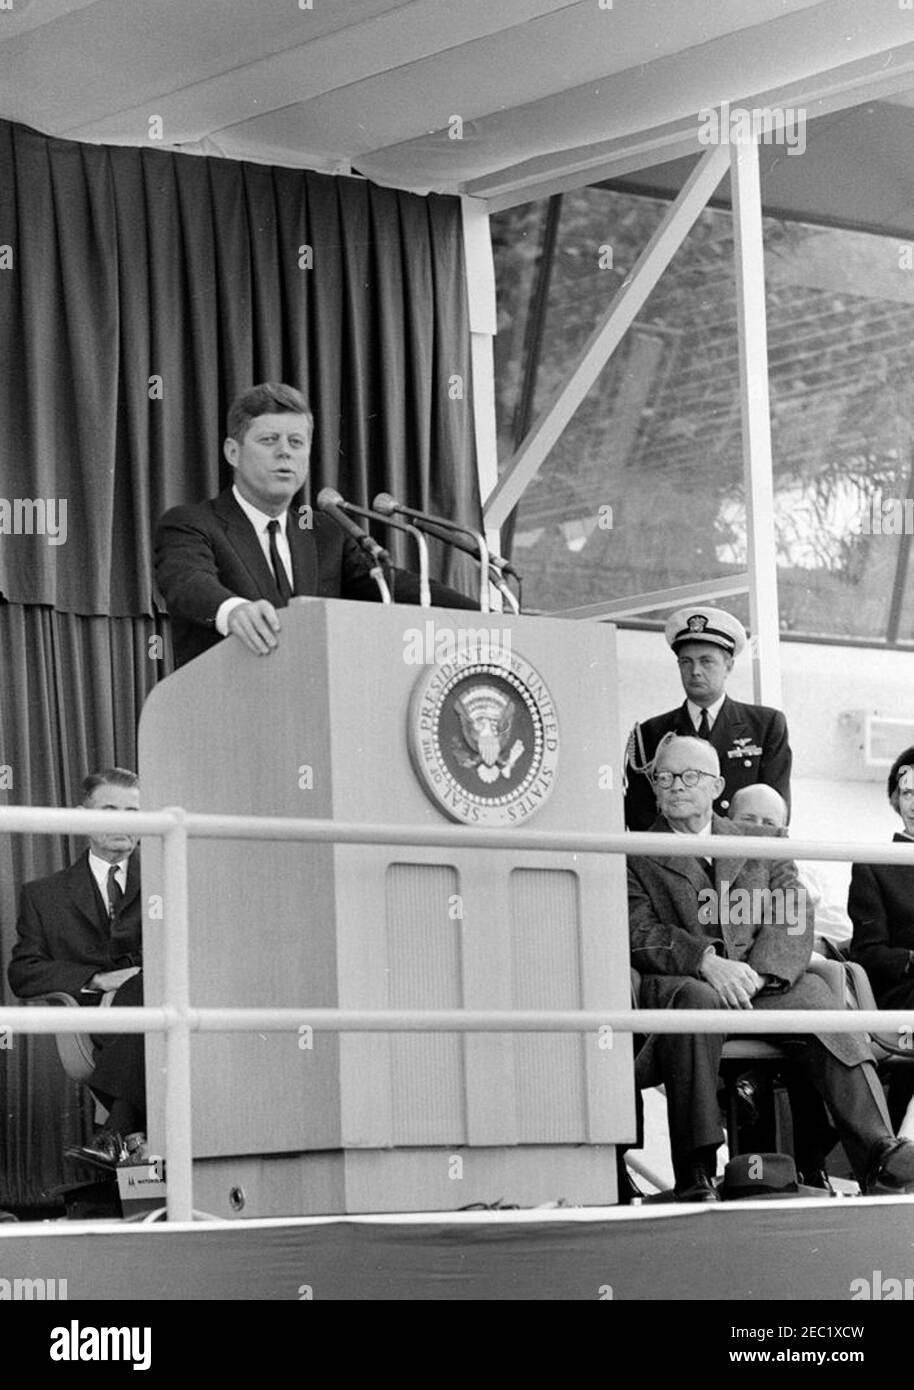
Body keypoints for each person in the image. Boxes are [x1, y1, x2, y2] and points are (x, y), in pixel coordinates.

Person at [627, 734, 914, 1201]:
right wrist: (706, 962)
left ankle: (879, 1153)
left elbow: (794, 913)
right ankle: (695, 1169)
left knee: (820, 1001)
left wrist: (760, 973)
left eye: (690, 776)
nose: (676, 786)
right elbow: (639, 931)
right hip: (687, 982)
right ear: (655, 787)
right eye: (665, 777)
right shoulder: (634, 853)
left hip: (764, 982)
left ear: (717, 784)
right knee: (694, 1005)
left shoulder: (761, 841)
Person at [155, 382, 477, 667]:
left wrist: (487, 617)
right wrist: (233, 610)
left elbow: (394, 586)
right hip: (225, 714)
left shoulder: (325, 534)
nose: (284, 453)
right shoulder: (191, 524)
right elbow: (187, 581)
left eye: (296, 442)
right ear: (233, 452)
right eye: (269, 440)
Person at [8, 769, 146, 1170]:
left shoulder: (168, 878)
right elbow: (23, 972)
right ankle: (123, 1132)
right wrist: (96, 980)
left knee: (146, 984)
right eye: (109, 809)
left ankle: (116, 1132)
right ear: (82, 816)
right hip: (96, 1026)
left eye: (133, 811)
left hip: (157, 1017)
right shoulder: (44, 895)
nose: (123, 821)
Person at [623, 606, 791, 831]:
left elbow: (775, 813)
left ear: (729, 666)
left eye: (706, 661)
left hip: (742, 856)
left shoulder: (766, 726)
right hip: (673, 858)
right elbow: (639, 817)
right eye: (686, 662)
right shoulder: (650, 734)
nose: (695, 671)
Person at [849, 746, 914, 1132]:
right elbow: (868, 953)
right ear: (895, 800)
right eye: (908, 793)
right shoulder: (874, 862)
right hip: (903, 991)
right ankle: (903, 1145)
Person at [730, 784, 852, 953]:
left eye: (769, 823)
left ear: (783, 832)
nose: (759, 829)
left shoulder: (810, 877)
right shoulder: (710, 869)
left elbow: (840, 934)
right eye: (748, 820)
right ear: (726, 823)